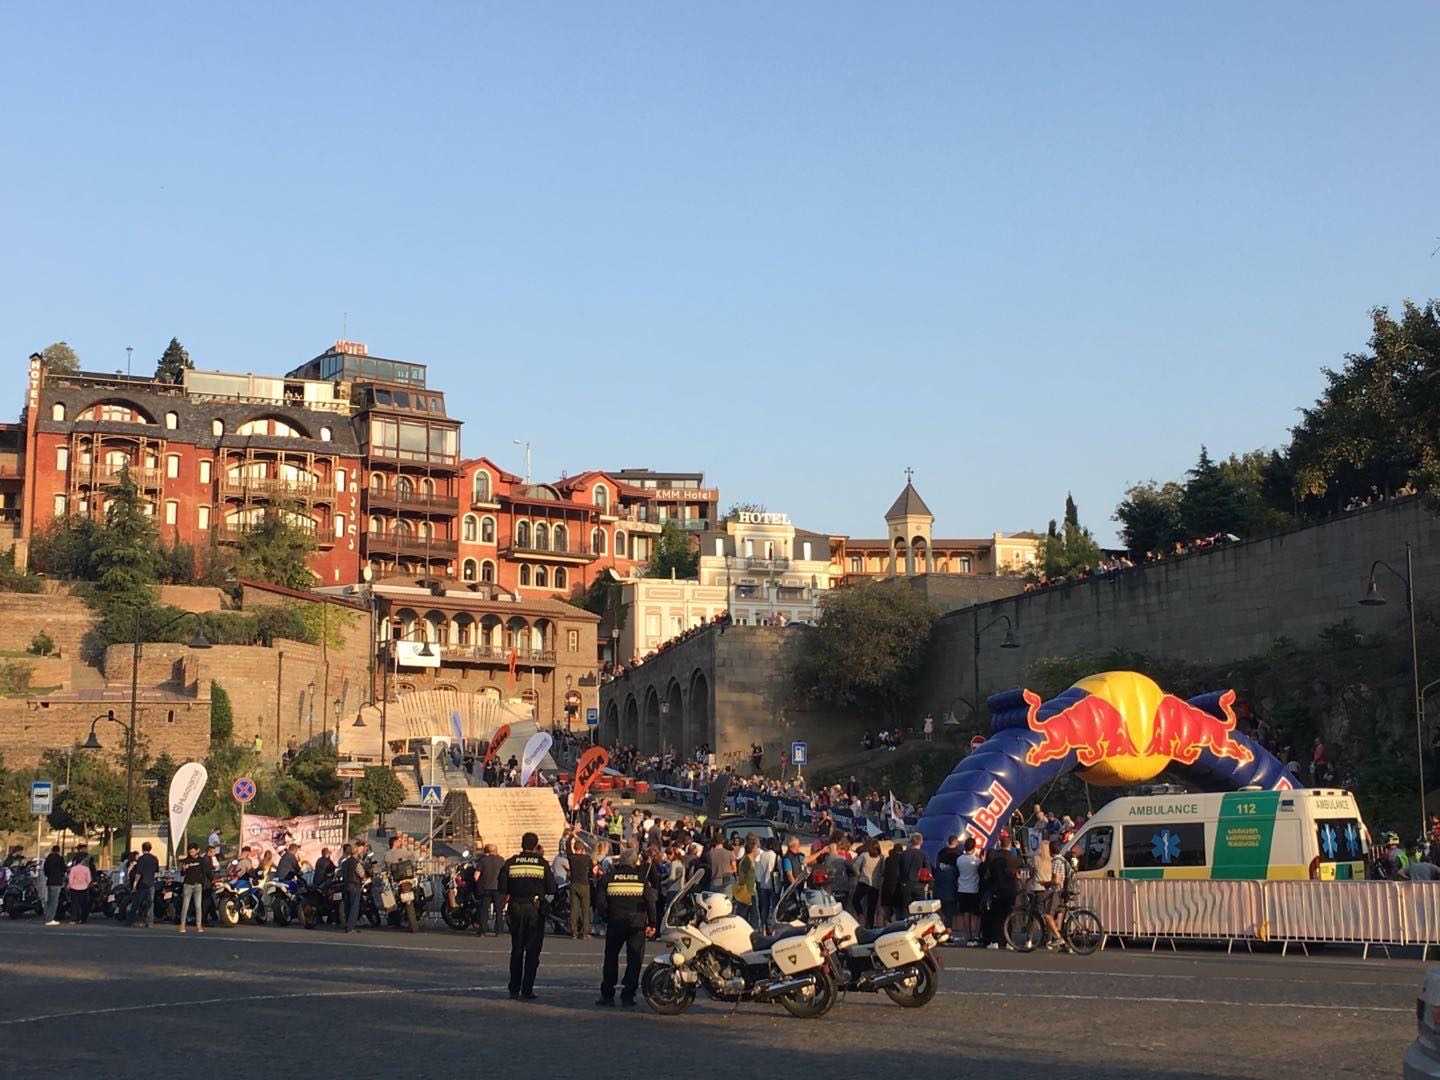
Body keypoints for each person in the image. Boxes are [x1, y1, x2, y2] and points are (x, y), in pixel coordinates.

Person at [594, 847, 656, 1007]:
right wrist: (652, 923)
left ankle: (607, 994)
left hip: (615, 922)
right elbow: (650, 902)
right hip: (636, 923)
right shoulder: (641, 879)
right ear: (635, 862)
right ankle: (628, 995)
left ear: (620, 861)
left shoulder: (608, 878)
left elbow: (599, 903)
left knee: (611, 958)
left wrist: (607, 916)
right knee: (634, 959)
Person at [498, 832, 556, 1001]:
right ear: (535, 846)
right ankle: (527, 989)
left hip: (516, 908)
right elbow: (552, 888)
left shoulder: (510, 862)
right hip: (534, 910)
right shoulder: (542, 863)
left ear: (521, 844)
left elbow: (502, 888)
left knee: (517, 950)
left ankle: (514, 989)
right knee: (532, 951)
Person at [982, 832, 1022, 949]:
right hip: (1010, 890)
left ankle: (995, 941)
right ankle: (1008, 941)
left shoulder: (994, 857)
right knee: (1009, 915)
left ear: (1000, 844)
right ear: (1010, 846)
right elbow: (1022, 863)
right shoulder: (1014, 859)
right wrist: (1019, 850)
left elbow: (987, 873)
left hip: (996, 890)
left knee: (996, 916)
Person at [955, 837, 983, 944]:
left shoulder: (959, 860)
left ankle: (968, 936)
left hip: (962, 889)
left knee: (965, 913)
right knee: (978, 914)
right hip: (974, 889)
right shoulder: (976, 861)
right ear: (974, 847)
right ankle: (977, 935)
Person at [127, 841, 160, 927]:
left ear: (142, 849)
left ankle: (130, 920)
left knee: (136, 902)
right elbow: (156, 871)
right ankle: (150, 922)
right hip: (151, 883)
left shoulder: (141, 859)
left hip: (142, 883)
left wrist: (135, 884)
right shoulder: (155, 858)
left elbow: (139, 873)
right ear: (150, 849)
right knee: (150, 903)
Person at [476, 843, 505, 936]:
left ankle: (483, 930)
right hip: (498, 889)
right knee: (499, 910)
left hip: (485, 889)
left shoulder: (483, 860)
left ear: (486, 851)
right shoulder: (502, 860)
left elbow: (476, 876)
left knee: (484, 910)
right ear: (496, 851)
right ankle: (499, 930)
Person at [341, 840, 370, 933]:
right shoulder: (356, 862)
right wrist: (367, 879)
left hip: (346, 885)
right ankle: (351, 927)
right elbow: (362, 874)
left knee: (347, 907)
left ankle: (347, 926)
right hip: (354, 885)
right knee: (354, 907)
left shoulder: (344, 862)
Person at [178, 843, 207, 934]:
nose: (191, 853)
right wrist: (184, 869)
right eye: (190, 852)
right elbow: (182, 874)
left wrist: (202, 883)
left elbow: (204, 872)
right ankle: (182, 924)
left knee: (198, 906)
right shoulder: (186, 860)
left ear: (197, 850)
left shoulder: (201, 860)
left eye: (193, 852)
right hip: (188, 885)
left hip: (198, 885)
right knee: (185, 905)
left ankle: (198, 925)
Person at [568, 839, 593, 940]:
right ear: (582, 849)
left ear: (574, 848)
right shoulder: (587, 858)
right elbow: (592, 869)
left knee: (574, 909)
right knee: (585, 910)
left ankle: (574, 932)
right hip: (584, 884)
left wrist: (572, 835)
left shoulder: (571, 858)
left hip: (574, 884)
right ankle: (585, 932)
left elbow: (567, 846)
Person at [753, 838, 779, 930]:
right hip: (773, 884)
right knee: (774, 907)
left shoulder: (762, 855)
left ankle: (763, 928)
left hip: (763, 884)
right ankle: (773, 928)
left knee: (765, 907)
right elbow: (779, 870)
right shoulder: (775, 856)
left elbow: (759, 870)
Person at [42, 844, 65, 926]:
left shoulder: (48, 859)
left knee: (49, 900)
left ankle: (47, 915)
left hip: (49, 881)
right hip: (57, 882)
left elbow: (45, 869)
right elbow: (64, 869)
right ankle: (50, 919)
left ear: (52, 850)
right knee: (54, 901)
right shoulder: (60, 859)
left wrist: (48, 875)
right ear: (59, 851)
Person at [66, 853, 92, 924]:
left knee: (74, 904)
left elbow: (70, 879)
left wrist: (70, 885)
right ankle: (83, 919)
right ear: (82, 861)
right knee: (83, 904)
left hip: (74, 888)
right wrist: (87, 884)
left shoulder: (73, 869)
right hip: (84, 887)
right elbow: (89, 879)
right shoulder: (86, 869)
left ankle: (73, 919)